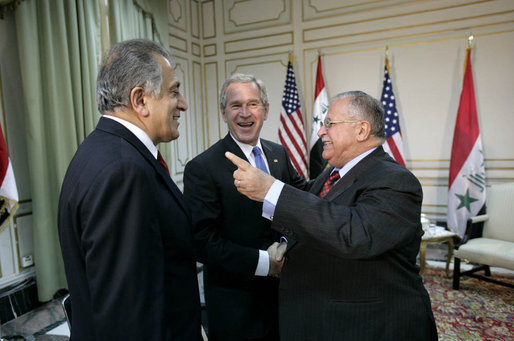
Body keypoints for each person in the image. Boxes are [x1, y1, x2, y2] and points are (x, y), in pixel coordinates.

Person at [226, 90, 438, 340]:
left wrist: (272, 190)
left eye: (329, 124)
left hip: (368, 325)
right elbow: (320, 212)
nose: (320, 132)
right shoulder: (332, 173)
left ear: (361, 130)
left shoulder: (396, 181)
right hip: (323, 314)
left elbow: (353, 234)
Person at [58, 39, 202, 340]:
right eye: (174, 91)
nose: (184, 103)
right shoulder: (124, 171)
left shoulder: (102, 150)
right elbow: (127, 316)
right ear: (140, 100)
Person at [183, 73, 310, 340]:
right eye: (235, 105)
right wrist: (267, 263)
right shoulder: (202, 167)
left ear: (265, 110)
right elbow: (202, 242)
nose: (244, 113)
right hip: (237, 308)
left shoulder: (279, 154)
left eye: (252, 104)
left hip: (286, 299)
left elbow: (303, 196)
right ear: (223, 113)